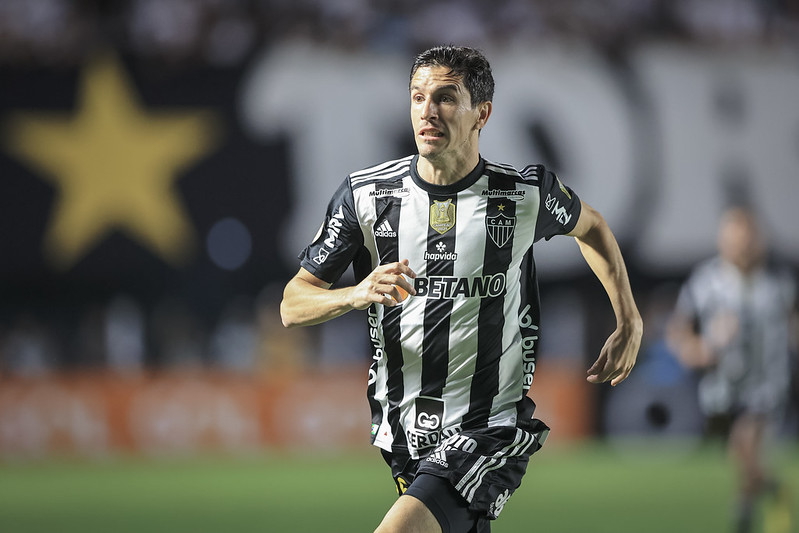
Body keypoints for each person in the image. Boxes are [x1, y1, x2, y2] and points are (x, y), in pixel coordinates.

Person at [280, 45, 643, 533]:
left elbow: (592, 226)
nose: (428, 111)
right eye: (418, 97)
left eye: (446, 98)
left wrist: (628, 319)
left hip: (488, 427)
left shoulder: (522, 195)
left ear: (482, 114)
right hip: (404, 431)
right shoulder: (367, 196)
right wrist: (355, 292)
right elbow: (292, 304)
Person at [668, 205, 796, 533]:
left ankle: (743, 517)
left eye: (748, 240)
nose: (743, 247)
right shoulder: (706, 282)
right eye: (736, 240)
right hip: (720, 388)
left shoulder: (778, 283)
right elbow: (679, 333)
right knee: (741, 458)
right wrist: (701, 349)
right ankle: (772, 492)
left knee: (746, 443)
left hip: (767, 385)